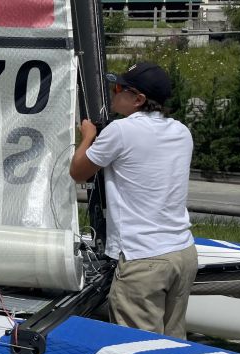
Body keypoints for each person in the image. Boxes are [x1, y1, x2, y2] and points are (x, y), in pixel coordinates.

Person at [70, 61, 196, 339]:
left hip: (143, 259)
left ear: (138, 99)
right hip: (182, 253)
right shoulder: (181, 131)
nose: (112, 93)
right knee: (173, 344)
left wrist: (88, 137)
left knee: (137, 350)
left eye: (118, 89)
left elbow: (78, 172)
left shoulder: (121, 130)